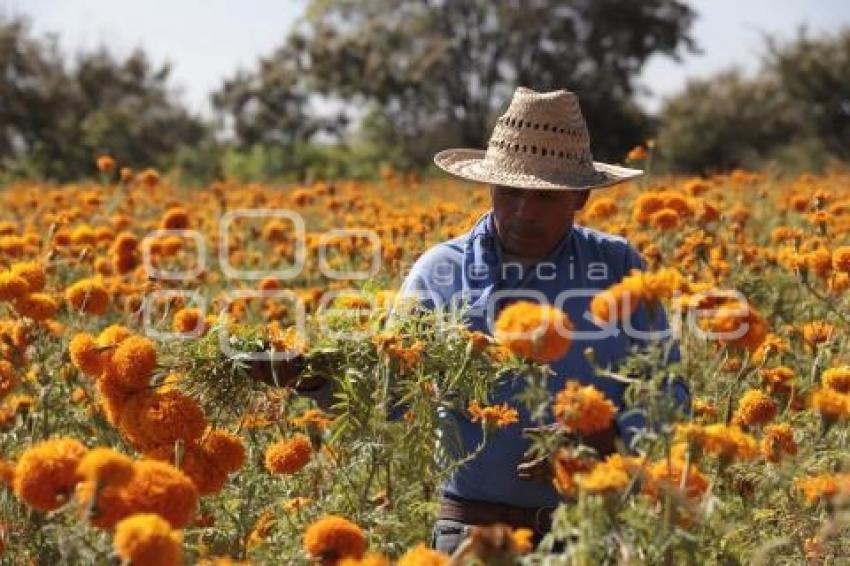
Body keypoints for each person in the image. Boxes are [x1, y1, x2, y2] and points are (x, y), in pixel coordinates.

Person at [392, 86, 689, 555]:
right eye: (510, 192)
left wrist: (605, 441)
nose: (523, 212)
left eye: (545, 197)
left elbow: (668, 395)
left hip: (588, 531)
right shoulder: (441, 270)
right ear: (489, 186)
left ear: (581, 198)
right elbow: (389, 397)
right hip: (471, 532)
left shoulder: (617, 267)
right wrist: (313, 378)